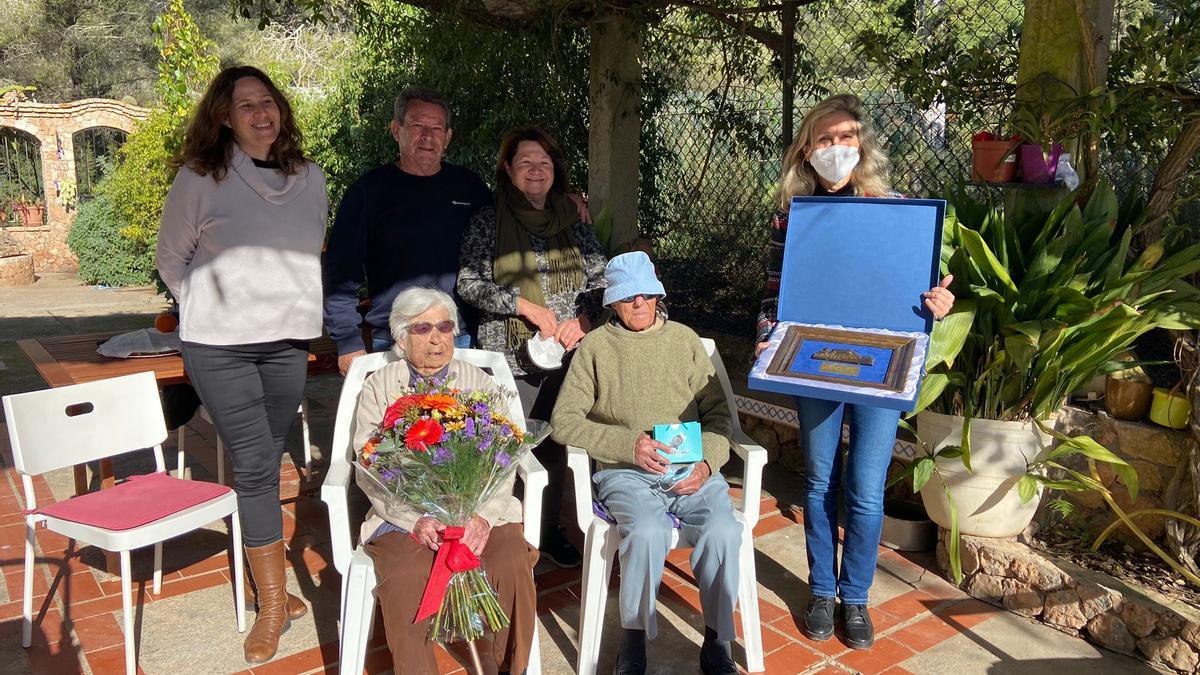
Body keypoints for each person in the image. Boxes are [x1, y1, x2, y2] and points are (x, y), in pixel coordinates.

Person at [755, 93, 955, 650]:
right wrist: (767, 349)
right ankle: (821, 590)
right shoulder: (791, 217)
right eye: (825, 139)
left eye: (846, 138)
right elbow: (773, 295)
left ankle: (856, 597)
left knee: (866, 492)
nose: (836, 148)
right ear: (806, 149)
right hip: (812, 362)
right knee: (819, 481)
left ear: (861, 145)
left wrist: (938, 304)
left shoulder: (896, 211)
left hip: (881, 366)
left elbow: (920, 289)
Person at [156, 65, 326, 664]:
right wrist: (213, 308)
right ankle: (273, 605)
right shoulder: (200, 177)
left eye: (268, 102)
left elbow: (305, 256)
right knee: (255, 467)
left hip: (286, 344)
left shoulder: (310, 178)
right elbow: (172, 260)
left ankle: (267, 576)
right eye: (245, 105)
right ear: (224, 117)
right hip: (221, 348)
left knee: (267, 459)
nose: (261, 113)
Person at [551, 252, 742, 675]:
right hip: (626, 472)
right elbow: (564, 421)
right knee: (649, 530)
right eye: (627, 296)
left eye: (646, 294)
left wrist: (708, 464)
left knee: (724, 530)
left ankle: (717, 642)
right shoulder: (596, 348)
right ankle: (633, 643)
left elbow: (718, 416)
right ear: (612, 303)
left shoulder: (685, 341)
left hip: (691, 469)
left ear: (658, 296)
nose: (638, 303)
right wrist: (627, 444)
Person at [350, 287, 538, 675]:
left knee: (511, 560)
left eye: (445, 326)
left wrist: (483, 516)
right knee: (405, 578)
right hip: (406, 517)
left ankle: (511, 668)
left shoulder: (480, 385)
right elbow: (368, 466)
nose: (436, 338)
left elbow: (504, 460)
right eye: (422, 328)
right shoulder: (380, 387)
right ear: (402, 338)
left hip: (481, 513)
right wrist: (414, 519)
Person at [457, 126, 607, 568]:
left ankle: (546, 531)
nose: (536, 171)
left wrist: (583, 320)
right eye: (525, 163)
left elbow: (601, 279)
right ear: (508, 169)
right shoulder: (488, 221)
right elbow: (467, 282)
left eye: (543, 162)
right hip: (511, 356)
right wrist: (525, 307)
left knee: (558, 441)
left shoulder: (574, 221)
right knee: (513, 447)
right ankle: (507, 536)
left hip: (569, 354)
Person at [323, 87, 490, 374]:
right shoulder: (368, 192)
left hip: (458, 338)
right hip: (394, 340)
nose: (427, 136)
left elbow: (513, 222)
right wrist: (347, 339)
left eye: (437, 128)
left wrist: (567, 200)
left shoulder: (469, 188)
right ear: (396, 130)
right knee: (397, 420)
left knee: (464, 419)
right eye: (417, 126)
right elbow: (340, 271)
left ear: (448, 137)